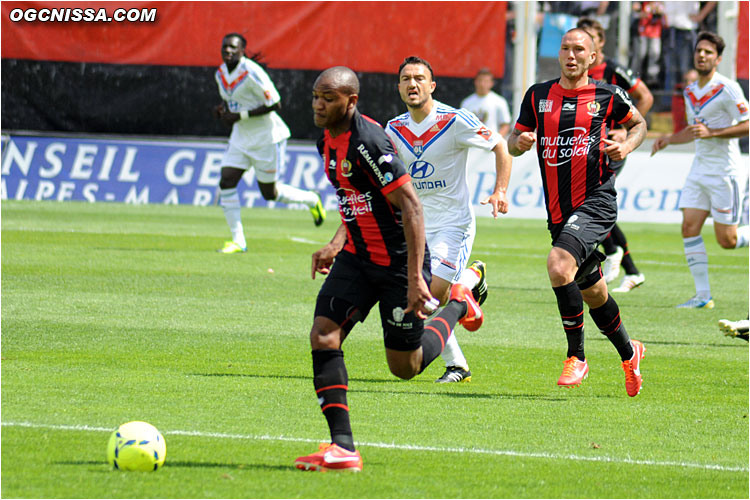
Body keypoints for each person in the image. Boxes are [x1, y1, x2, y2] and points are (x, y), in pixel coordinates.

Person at [294, 66, 484, 472]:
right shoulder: (325, 140)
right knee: (323, 335)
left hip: (397, 263)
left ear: (351, 101)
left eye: (328, 97)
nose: (318, 104)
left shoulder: (369, 143)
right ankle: (342, 447)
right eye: (315, 96)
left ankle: (459, 305)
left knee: (406, 367)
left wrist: (417, 277)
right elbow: (354, 199)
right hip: (357, 259)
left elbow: (411, 207)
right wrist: (334, 243)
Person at [507, 28, 648, 397]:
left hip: (596, 200)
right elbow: (513, 140)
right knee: (594, 292)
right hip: (558, 211)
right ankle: (630, 354)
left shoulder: (607, 94)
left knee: (558, 265)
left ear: (592, 56)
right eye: (565, 49)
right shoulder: (538, 96)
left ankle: (577, 356)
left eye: (579, 50)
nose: (571, 55)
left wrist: (627, 145)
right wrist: (518, 143)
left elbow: (639, 123)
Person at [386, 57, 512, 383]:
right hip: (416, 227)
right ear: (399, 86)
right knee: (419, 300)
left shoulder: (454, 120)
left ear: (432, 85)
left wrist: (500, 190)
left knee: (430, 298)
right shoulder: (393, 128)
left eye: (419, 78)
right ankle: (458, 364)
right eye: (406, 79)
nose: (412, 84)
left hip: (453, 225)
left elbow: (501, 146)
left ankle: (469, 281)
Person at [651, 32, 750, 309]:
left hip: (725, 172)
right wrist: (670, 139)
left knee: (727, 240)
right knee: (689, 227)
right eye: (699, 51)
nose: (702, 55)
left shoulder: (728, 88)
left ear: (718, 59)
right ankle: (702, 295)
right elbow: (695, 131)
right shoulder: (690, 90)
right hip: (699, 169)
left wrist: (713, 132)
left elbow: (747, 123)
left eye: (708, 52)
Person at [213, 33, 326, 254]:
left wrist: (240, 116)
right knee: (226, 181)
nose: (228, 51)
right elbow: (232, 102)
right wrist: (222, 111)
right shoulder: (220, 73)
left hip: (267, 138)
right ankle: (238, 241)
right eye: (225, 47)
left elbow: (275, 103)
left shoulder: (252, 72)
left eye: (233, 48)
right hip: (241, 137)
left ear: (242, 50)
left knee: (269, 193)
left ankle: (311, 199)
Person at [577, 17, 654, 292]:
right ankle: (631, 270)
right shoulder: (577, 74)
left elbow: (645, 96)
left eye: (591, 37)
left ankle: (612, 251)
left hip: (609, 147)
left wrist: (624, 129)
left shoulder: (613, 70)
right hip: (583, 150)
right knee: (589, 201)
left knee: (591, 201)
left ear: (600, 41)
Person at [460, 68, 513, 137]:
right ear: (475, 82)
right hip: (471, 145)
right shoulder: (466, 103)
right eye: (480, 81)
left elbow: (505, 125)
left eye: (486, 81)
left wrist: (496, 141)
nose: (482, 84)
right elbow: (461, 126)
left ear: (491, 83)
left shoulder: (499, 101)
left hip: (491, 146)